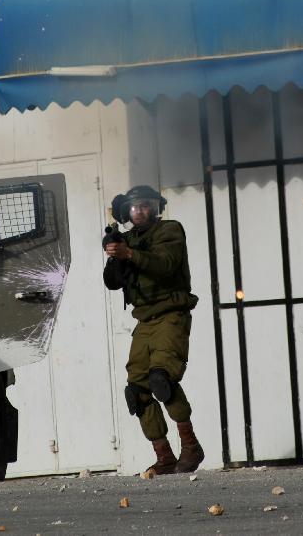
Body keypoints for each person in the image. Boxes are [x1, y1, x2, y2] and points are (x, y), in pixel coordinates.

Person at [102, 185, 204, 475]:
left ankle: (191, 447)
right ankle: (164, 456)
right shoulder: (128, 239)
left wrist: (130, 254)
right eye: (135, 207)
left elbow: (166, 265)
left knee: (162, 379)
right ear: (127, 212)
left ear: (156, 208)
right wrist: (114, 255)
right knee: (137, 389)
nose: (141, 211)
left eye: (147, 205)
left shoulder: (170, 230)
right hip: (145, 321)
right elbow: (112, 283)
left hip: (171, 314)